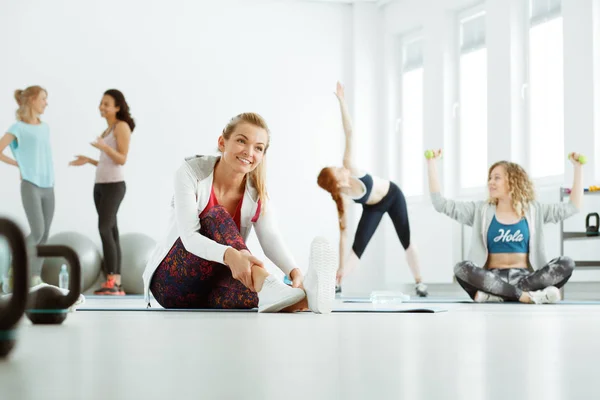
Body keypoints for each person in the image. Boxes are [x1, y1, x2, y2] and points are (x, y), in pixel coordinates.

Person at [142, 113, 336, 313]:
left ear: (262, 156)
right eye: (242, 141)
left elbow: (270, 238)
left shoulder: (256, 193)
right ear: (222, 142)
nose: (249, 152)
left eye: (258, 148)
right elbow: (189, 237)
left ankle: (308, 296)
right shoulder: (191, 172)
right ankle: (270, 284)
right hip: (171, 285)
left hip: (210, 289)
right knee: (216, 215)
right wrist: (230, 255)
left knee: (272, 296)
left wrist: (294, 272)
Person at [426, 149, 583, 303]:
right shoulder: (480, 210)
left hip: (527, 279)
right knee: (462, 268)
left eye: (496, 178)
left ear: (513, 181)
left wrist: (578, 168)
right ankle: (524, 296)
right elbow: (440, 204)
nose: (490, 182)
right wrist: (431, 163)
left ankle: (498, 295)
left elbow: (573, 207)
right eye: (490, 178)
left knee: (566, 263)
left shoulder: (535, 210)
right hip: (492, 279)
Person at [317, 82, 428, 297]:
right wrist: (339, 268)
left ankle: (420, 282)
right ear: (336, 183)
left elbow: (349, 131)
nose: (341, 168)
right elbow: (344, 235)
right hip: (373, 208)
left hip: (392, 196)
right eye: (337, 170)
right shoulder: (342, 196)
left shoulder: (349, 165)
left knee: (406, 240)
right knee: (357, 250)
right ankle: (339, 281)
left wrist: (341, 101)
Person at [69, 89, 135, 295]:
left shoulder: (121, 126)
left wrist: (102, 147)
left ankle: (112, 282)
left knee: (105, 229)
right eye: (101, 103)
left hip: (114, 185)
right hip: (101, 185)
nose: (102, 107)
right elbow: (107, 162)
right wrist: (89, 160)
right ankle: (115, 282)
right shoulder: (108, 130)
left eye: (107, 103)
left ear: (117, 107)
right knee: (111, 231)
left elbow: (122, 158)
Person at [0, 86, 53, 286]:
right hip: (30, 183)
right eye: (43, 98)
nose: (45, 103)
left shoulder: (45, 127)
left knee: (45, 234)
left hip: (49, 184)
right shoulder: (18, 128)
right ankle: (14, 266)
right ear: (31, 100)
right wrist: (18, 164)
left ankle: (34, 277)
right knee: (37, 231)